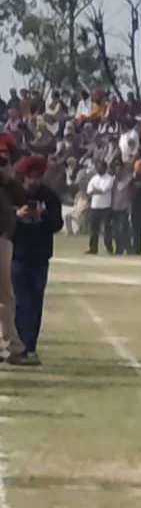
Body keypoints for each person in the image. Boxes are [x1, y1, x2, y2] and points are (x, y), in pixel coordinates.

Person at [9, 155, 62, 365]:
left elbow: (57, 224)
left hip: (40, 256)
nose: (33, 181)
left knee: (35, 302)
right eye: (30, 177)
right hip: (18, 254)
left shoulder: (50, 197)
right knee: (20, 302)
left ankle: (30, 346)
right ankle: (17, 345)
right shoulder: (13, 195)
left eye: (37, 176)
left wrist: (43, 215)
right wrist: (18, 216)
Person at [0, 136, 27, 361]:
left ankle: (9, 342)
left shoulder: (7, 181)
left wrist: (8, 178)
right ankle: (11, 343)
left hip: (2, 237)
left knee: (5, 294)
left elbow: (21, 199)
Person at [85, 159, 115, 254]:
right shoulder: (94, 178)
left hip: (106, 207)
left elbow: (104, 190)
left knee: (107, 229)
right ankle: (93, 248)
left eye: (101, 167)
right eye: (97, 167)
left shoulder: (109, 178)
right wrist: (97, 191)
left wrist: (95, 190)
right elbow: (89, 191)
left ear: (105, 168)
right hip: (95, 207)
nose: (99, 169)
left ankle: (109, 248)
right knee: (94, 229)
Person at [109, 159, 133, 255]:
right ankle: (123, 247)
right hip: (114, 209)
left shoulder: (127, 181)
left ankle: (121, 249)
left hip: (124, 209)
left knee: (123, 230)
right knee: (115, 231)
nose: (118, 172)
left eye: (119, 170)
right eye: (116, 170)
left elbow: (130, 196)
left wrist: (130, 210)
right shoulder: (112, 182)